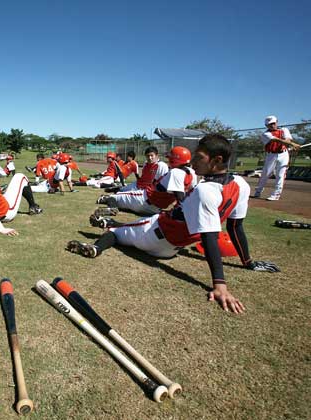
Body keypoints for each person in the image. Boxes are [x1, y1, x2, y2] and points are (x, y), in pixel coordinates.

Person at [67, 134, 279, 314]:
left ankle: (98, 243)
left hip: (157, 233)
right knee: (133, 226)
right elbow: (235, 227)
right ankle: (112, 221)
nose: (195, 161)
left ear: (217, 160)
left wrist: (220, 285)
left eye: (200, 156)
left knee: (115, 231)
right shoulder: (241, 185)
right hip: (172, 245)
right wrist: (248, 261)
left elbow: (210, 237)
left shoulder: (205, 189)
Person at [92, 146, 197, 220]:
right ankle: (114, 197)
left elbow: (180, 196)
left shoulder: (175, 172)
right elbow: (190, 195)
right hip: (155, 207)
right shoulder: (192, 173)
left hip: (145, 198)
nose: (168, 160)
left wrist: (183, 212)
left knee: (113, 197)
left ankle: (111, 206)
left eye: (170, 158)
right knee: (122, 197)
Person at [253, 115, 300, 201]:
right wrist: (293, 144)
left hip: (284, 154)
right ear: (266, 126)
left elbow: (288, 140)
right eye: (269, 124)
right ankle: (258, 191)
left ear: (277, 122)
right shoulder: (265, 134)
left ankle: (276, 194)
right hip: (271, 155)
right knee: (265, 174)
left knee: (280, 175)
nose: (272, 125)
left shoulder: (284, 130)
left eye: (273, 123)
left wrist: (290, 144)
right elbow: (276, 140)